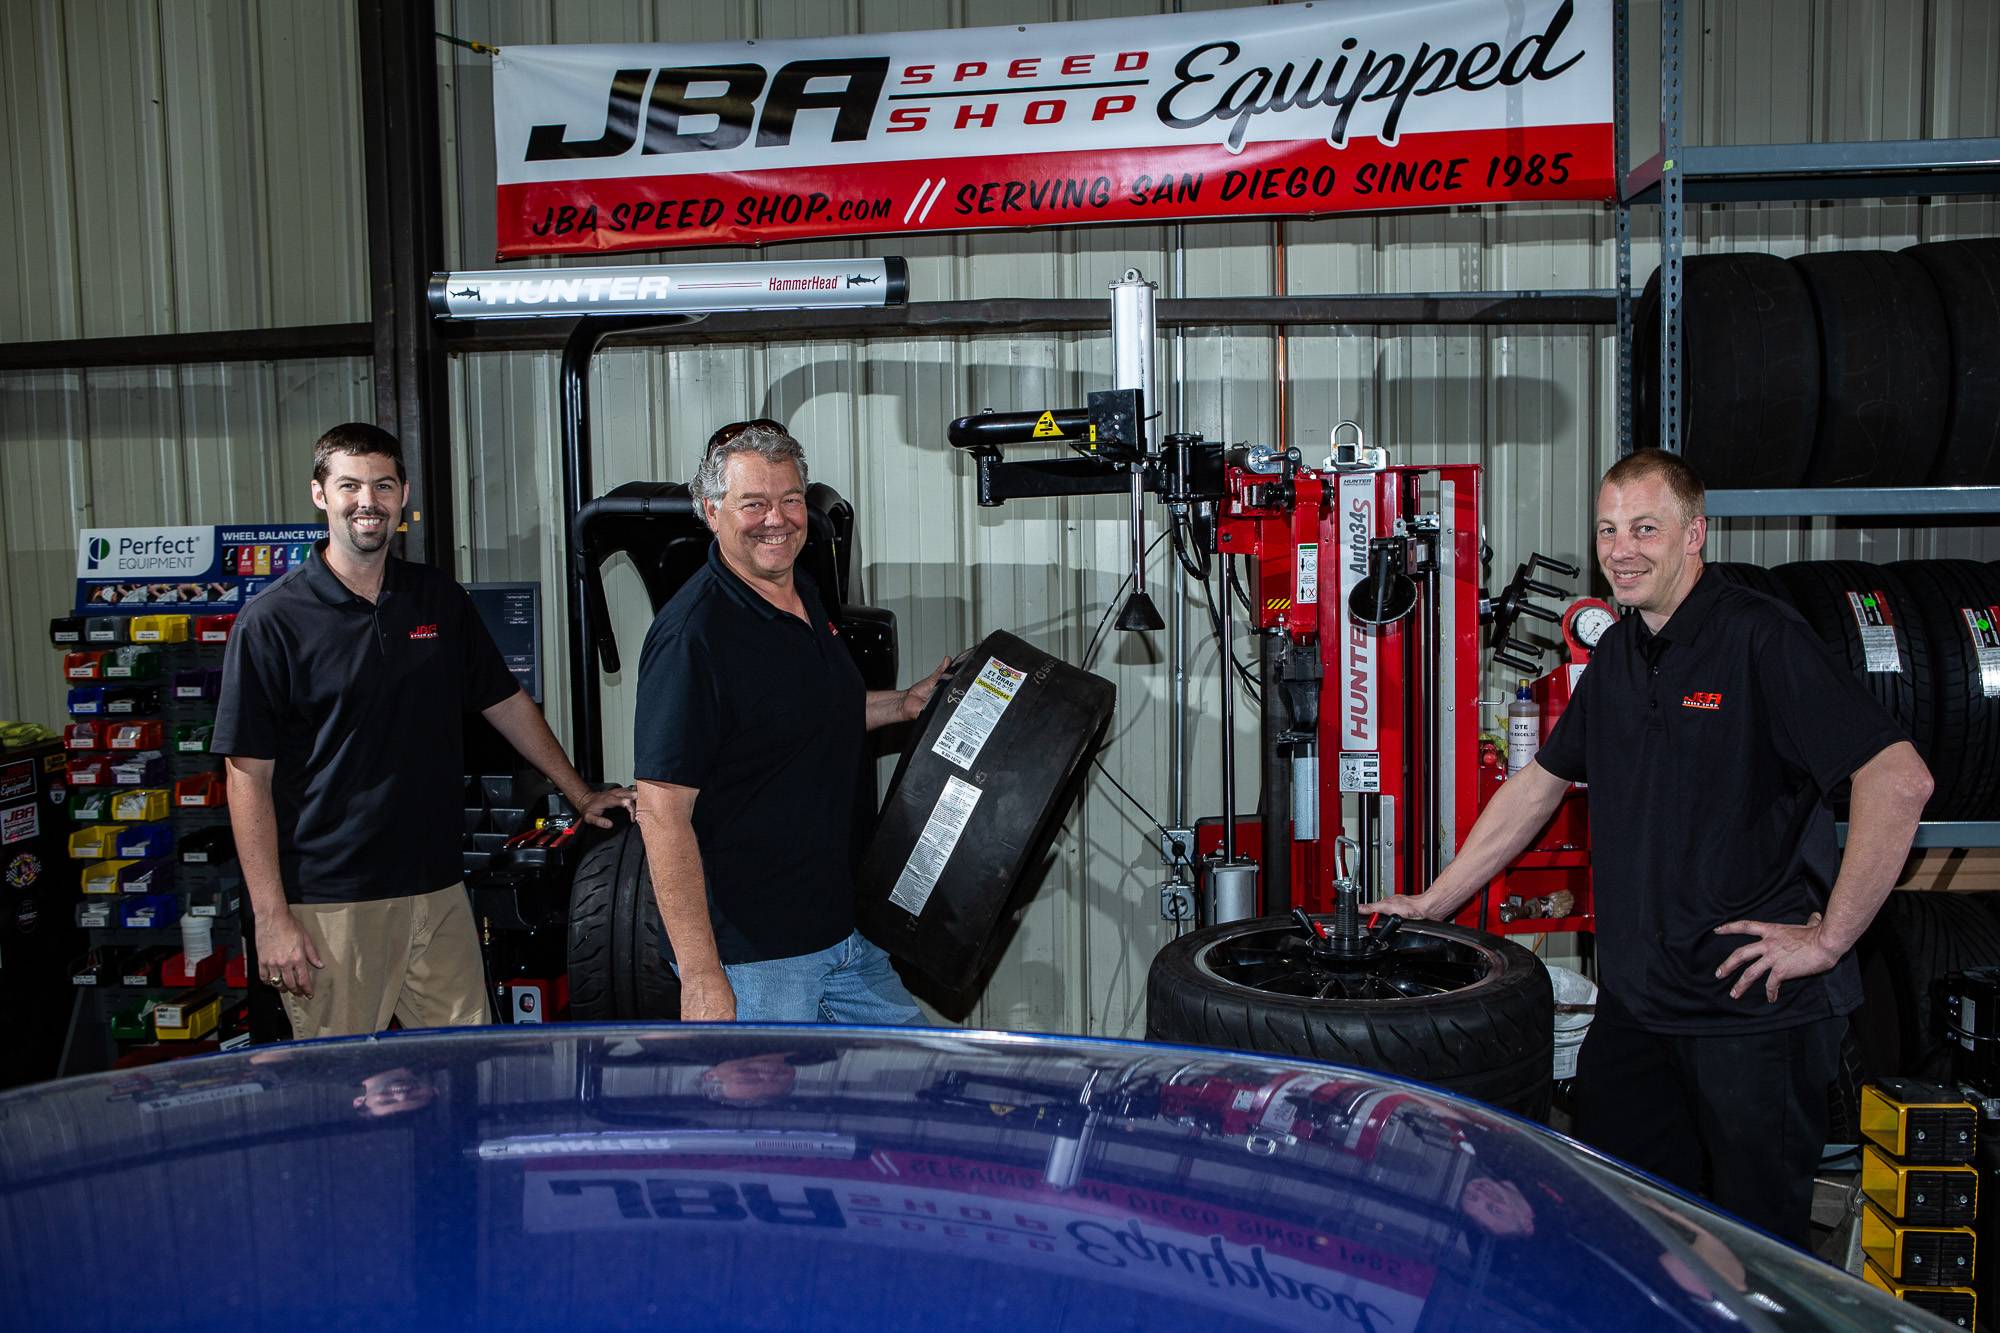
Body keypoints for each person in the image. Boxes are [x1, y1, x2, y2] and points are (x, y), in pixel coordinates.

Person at [1361, 448, 1932, 1246]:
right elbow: (1538, 785)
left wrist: (1831, 937)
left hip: (1749, 1021)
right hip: (1638, 1016)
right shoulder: (1622, 655)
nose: (1621, 548)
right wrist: (1431, 900)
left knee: (1751, 1261)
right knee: (1624, 1240)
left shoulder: (1760, 638)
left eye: (1644, 528)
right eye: (1607, 529)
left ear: (1695, 533)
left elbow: (1898, 779)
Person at [214, 422, 635, 1040]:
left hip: (437, 892)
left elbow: (507, 702)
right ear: (319, 494)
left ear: (403, 493)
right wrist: (271, 915)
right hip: (333, 903)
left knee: (463, 1070)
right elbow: (246, 777)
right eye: (350, 485)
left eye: (383, 486)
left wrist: (579, 793)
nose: (368, 502)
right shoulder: (272, 622)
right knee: (344, 1086)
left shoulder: (436, 598)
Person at [632, 418, 948, 1024]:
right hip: (754, 961)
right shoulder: (692, 637)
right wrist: (702, 978)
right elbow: (661, 812)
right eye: (753, 503)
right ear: (711, 510)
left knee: (909, 1091)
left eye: (790, 500)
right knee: (765, 1120)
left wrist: (902, 703)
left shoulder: (800, 588)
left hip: (843, 936)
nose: (776, 519)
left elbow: (805, 713)